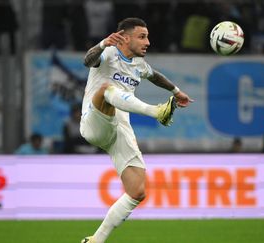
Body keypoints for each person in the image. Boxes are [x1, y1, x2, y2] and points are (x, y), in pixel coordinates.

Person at [79, 18, 193, 243]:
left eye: (148, 37)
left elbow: (155, 76)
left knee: (137, 190)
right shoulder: (108, 53)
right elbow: (87, 60)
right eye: (142, 37)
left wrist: (176, 91)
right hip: (94, 121)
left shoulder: (139, 64)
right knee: (106, 89)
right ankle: (156, 112)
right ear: (125, 36)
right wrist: (102, 44)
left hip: (119, 129)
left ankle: (96, 240)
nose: (148, 42)